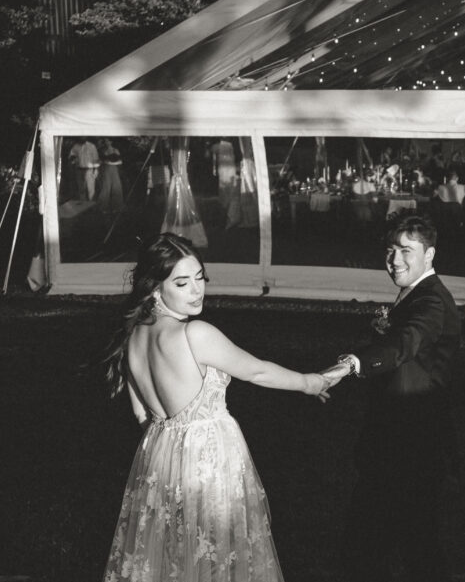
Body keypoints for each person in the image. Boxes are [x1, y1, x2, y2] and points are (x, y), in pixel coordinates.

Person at [100, 233, 333, 582]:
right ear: (154, 288)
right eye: (182, 282)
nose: (197, 290)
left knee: (172, 557)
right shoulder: (194, 334)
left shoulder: (132, 338)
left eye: (199, 278)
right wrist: (310, 382)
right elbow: (256, 370)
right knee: (216, 558)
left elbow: (140, 414)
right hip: (206, 461)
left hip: (159, 458)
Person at [323, 214, 461, 582]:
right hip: (400, 439)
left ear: (429, 254)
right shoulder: (417, 293)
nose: (395, 259)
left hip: (410, 442)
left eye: (406, 250)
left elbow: (406, 342)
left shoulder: (431, 301)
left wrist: (353, 364)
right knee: (407, 539)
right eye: (390, 249)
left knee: (379, 539)